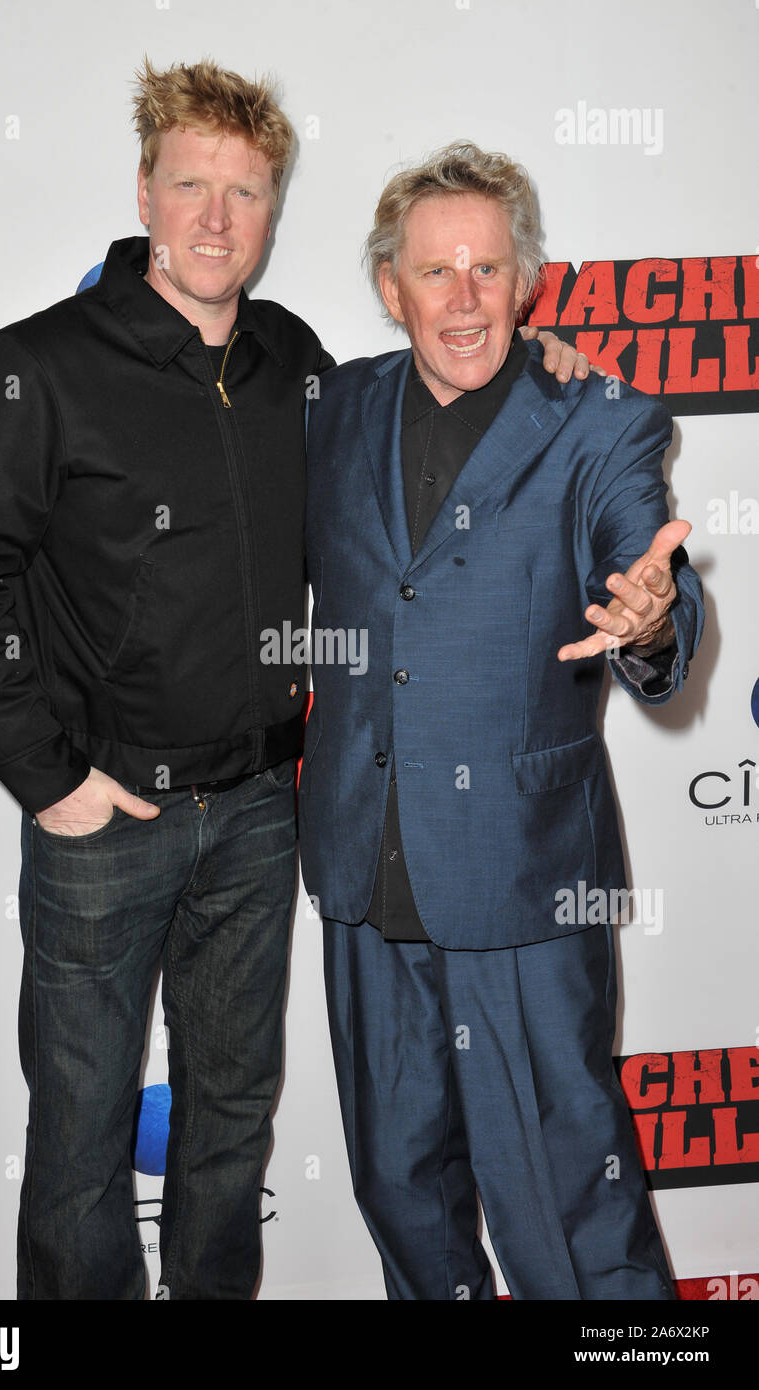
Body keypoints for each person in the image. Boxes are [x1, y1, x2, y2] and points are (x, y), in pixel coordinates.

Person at [0, 61, 590, 1302]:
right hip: (105, 824)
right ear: (145, 194)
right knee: (78, 1141)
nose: (217, 220)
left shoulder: (299, 365)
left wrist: (542, 364)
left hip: (265, 814)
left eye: (247, 192)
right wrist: (51, 778)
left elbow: (427, 417)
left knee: (229, 1129)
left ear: (274, 208)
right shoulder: (39, 366)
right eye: (191, 187)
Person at [298, 140, 704, 1300]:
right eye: (436, 273)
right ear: (391, 286)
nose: (464, 299)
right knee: (400, 1192)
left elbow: (650, 570)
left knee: (570, 1207)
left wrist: (647, 619)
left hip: (522, 883)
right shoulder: (334, 406)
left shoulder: (602, 419)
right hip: (365, 871)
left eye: (489, 270)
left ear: (530, 282)